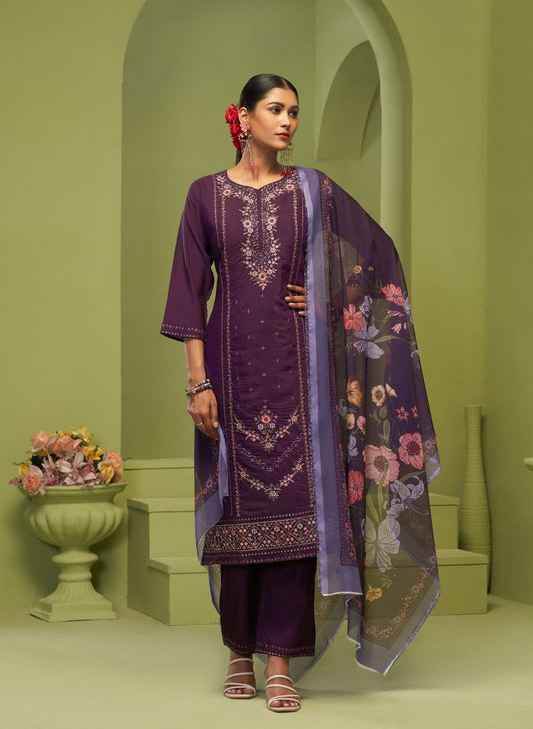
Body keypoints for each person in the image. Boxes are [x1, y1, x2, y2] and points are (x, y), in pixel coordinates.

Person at [160, 74, 441, 712]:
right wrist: (198, 383)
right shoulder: (205, 195)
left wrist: (324, 299)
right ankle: (239, 651)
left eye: (294, 111)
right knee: (236, 515)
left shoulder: (313, 191)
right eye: (275, 109)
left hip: (299, 376)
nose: (288, 121)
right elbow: (189, 293)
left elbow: (376, 259)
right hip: (228, 371)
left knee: (295, 515)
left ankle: (281, 661)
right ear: (243, 117)